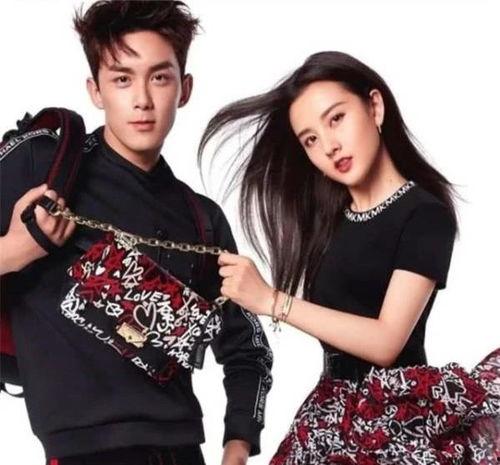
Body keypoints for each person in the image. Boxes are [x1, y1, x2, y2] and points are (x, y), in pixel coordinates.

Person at [0, 2, 272, 465]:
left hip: (184, 449)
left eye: (159, 77)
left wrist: (238, 446)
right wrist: (14, 250)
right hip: (82, 452)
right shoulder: (43, 165)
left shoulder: (202, 218)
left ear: (184, 89)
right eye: (122, 79)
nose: (142, 99)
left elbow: (248, 347)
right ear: (96, 90)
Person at [198, 51, 500, 464]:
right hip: (329, 414)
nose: (329, 146)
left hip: (396, 420)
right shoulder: (327, 221)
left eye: (336, 118)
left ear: (375, 107)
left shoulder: (425, 215)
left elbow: (386, 342)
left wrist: (272, 301)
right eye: (310, 139)